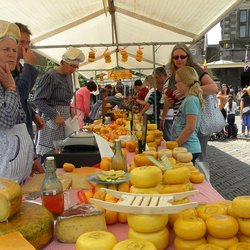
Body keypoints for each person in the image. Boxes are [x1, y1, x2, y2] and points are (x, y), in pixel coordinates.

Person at [163, 43, 218, 161]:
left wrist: (191, 90)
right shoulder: (174, 75)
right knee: (183, 159)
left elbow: (214, 88)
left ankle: (202, 178)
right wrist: (169, 101)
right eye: (175, 57)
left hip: (196, 121)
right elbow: (174, 101)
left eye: (182, 56)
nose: (179, 59)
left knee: (197, 159)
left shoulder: (194, 69)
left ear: (188, 56)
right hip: (180, 119)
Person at [33, 47, 85, 160]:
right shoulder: (51, 76)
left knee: (62, 151)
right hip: (51, 120)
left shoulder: (69, 76)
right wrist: (54, 115)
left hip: (65, 119)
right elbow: (38, 100)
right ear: (63, 62)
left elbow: (67, 98)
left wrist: (70, 108)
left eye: (76, 67)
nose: (74, 69)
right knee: (50, 154)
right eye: (72, 65)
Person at [0, 20, 34, 183]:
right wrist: (11, 88)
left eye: (14, 49)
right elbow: (7, 118)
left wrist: (32, 160)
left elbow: (20, 112)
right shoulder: (8, 82)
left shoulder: (8, 76)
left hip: (15, 174)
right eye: (6, 49)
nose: (12, 53)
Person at [12, 22, 45, 174]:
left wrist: (33, 114)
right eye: (21, 42)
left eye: (28, 43)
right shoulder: (6, 70)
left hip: (24, 135)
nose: (25, 47)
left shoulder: (18, 68)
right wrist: (30, 65)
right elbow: (20, 94)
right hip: (12, 143)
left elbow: (23, 101)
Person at [172, 66, 205, 164]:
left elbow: (190, 128)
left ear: (185, 82)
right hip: (184, 148)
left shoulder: (191, 100)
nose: (175, 85)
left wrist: (175, 144)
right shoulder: (188, 99)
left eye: (177, 82)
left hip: (188, 149)